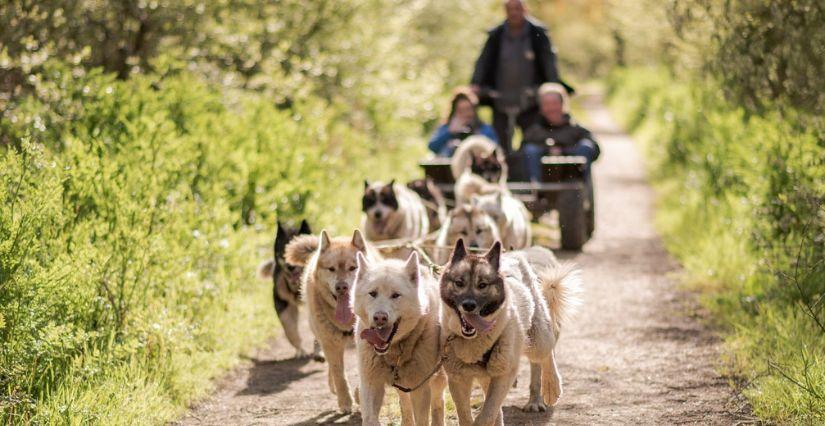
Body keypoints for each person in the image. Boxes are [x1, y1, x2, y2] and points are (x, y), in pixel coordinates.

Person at [470, 0, 574, 153]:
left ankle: (530, 174)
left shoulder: (537, 33)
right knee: (500, 144)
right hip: (501, 99)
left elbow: (548, 61)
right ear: (505, 11)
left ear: (525, 9)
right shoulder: (496, 35)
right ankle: (505, 172)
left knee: (532, 141)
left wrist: (552, 86)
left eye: (517, 9)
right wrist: (476, 84)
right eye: (510, 9)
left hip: (531, 101)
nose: (514, 13)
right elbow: (483, 61)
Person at [522, 83, 599, 183]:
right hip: (542, 178)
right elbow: (520, 153)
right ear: (541, 107)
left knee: (586, 146)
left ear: (563, 105)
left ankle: (581, 187)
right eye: (547, 104)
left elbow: (595, 149)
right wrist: (548, 150)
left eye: (555, 103)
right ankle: (535, 188)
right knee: (530, 150)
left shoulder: (576, 129)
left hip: (571, 177)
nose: (551, 108)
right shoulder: (533, 131)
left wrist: (563, 151)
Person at [428, 88, 498, 157]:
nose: (465, 114)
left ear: (474, 110)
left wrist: (476, 137)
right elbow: (432, 147)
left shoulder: (484, 129)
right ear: (454, 112)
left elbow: (493, 149)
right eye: (461, 111)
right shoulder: (447, 128)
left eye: (468, 109)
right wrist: (449, 132)